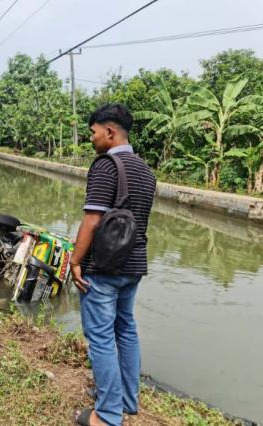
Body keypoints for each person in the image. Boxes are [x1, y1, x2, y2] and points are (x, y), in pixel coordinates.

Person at [70, 104, 156, 426]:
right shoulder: (146, 170)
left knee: (102, 337)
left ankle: (106, 416)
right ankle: (126, 401)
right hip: (133, 265)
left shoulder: (107, 165)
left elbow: (92, 220)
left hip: (104, 268)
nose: (91, 139)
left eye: (93, 133)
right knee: (126, 330)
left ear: (110, 132)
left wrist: (76, 260)